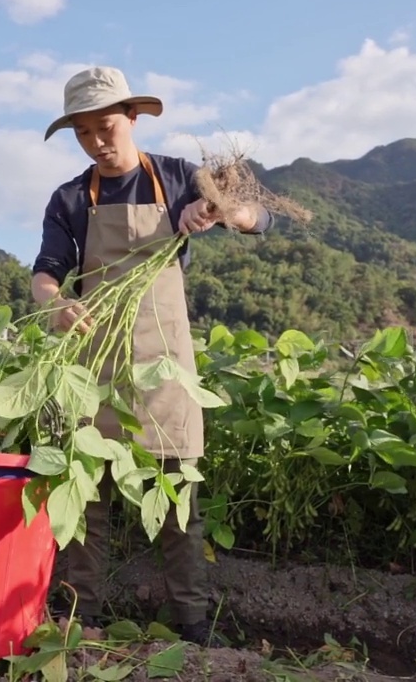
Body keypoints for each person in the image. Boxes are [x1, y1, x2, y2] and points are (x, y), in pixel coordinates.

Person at [30, 66, 272, 647]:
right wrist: (57, 304)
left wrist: (213, 210)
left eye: (106, 126)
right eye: (83, 133)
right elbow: (45, 274)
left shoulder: (177, 177)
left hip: (164, 365)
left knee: (176, 497)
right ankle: (82, 618)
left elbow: (254, 218)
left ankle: (192, 625)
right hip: (96, 364)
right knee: (87, 496)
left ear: (132, 118)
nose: (97, 141)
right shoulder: (69, 198)